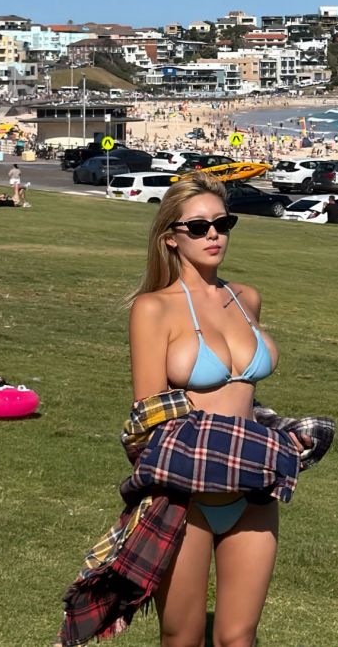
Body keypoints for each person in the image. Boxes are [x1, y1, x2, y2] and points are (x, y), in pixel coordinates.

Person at [126, 173, 287, 647]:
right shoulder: (153, 309)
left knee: (239, 636)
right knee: (183, 636)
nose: (214, 235)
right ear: (170, 238)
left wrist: (283, 434)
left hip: (253, 489)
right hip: (185, 496)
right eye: (198, 227)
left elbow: (245, 397)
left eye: (223, 223)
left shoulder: (247, 298)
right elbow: (147, 418)